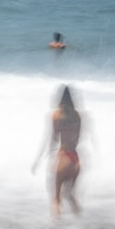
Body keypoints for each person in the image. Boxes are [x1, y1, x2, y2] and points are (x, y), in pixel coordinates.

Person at [33, 86, 84, 219]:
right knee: (70, 196)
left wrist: (40, 160)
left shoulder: (56, 115)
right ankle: (82, 224)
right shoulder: (77, 115)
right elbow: (78, 138)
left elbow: (52, 139)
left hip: (63, 157)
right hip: (75, 160)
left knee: (56, 201)